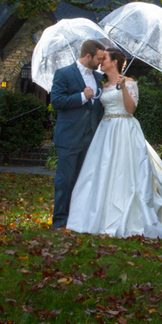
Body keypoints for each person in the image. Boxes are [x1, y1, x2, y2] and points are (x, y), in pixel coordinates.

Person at [66, 48, 162, 238]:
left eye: (104, 59)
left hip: (125, 129)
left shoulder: (129, 83)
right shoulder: (102, 86)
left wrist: (122, 88)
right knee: (100, 171)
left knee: (125, 170)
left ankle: (129, 214)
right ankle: (96, 215)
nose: (100, 62)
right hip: (105, 132)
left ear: (114, 62)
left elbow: (130, 109)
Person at [49, 40, 106, 229]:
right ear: (88, 56)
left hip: (91, 138)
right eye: (98, 58)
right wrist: (82, 96)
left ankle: (77, 220)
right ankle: (59, 222)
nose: (101, 62)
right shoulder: (63, 73)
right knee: (64, 181)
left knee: (83, 181)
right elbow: (56, 101)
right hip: (69, 137)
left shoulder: (99, 78)